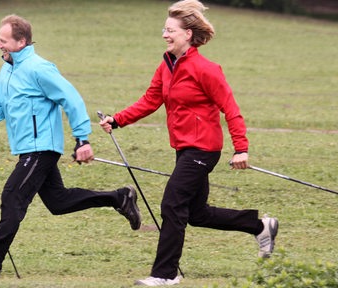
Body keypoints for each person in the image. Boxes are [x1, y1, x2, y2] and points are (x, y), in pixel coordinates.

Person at [0, 14, 141, 278]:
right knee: (58, 202)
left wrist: (82, 139)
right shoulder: (7, 68)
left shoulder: (39, 68)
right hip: (28, 148)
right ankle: (119, 197)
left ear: (21, 41)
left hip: (41, 148)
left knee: (12, 196)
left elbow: (71, 99)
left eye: (3, 41)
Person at [99, 0, 278, 286]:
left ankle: (164, 274)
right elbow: (151, 100)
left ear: (187, 34)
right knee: (196, 213)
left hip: (203, 149)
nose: (165, 34)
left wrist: (241, 148)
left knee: (172, 204)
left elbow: (230, 108)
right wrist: (117, 119)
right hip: (184, 148)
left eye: (170, 30)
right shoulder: (167, 65)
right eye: (164, 29)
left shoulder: (206, 69)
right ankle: (259, 226)